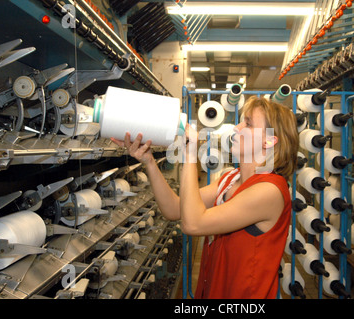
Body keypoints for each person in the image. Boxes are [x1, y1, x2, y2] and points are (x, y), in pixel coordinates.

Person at [111, 96, 299, 299]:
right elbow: (174, 209)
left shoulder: (269, 191)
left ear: (269, 140)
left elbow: (193, 225)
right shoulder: (229, 179)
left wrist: (190, 155)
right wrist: (149, 162)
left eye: (248, 123)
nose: (237, 127)